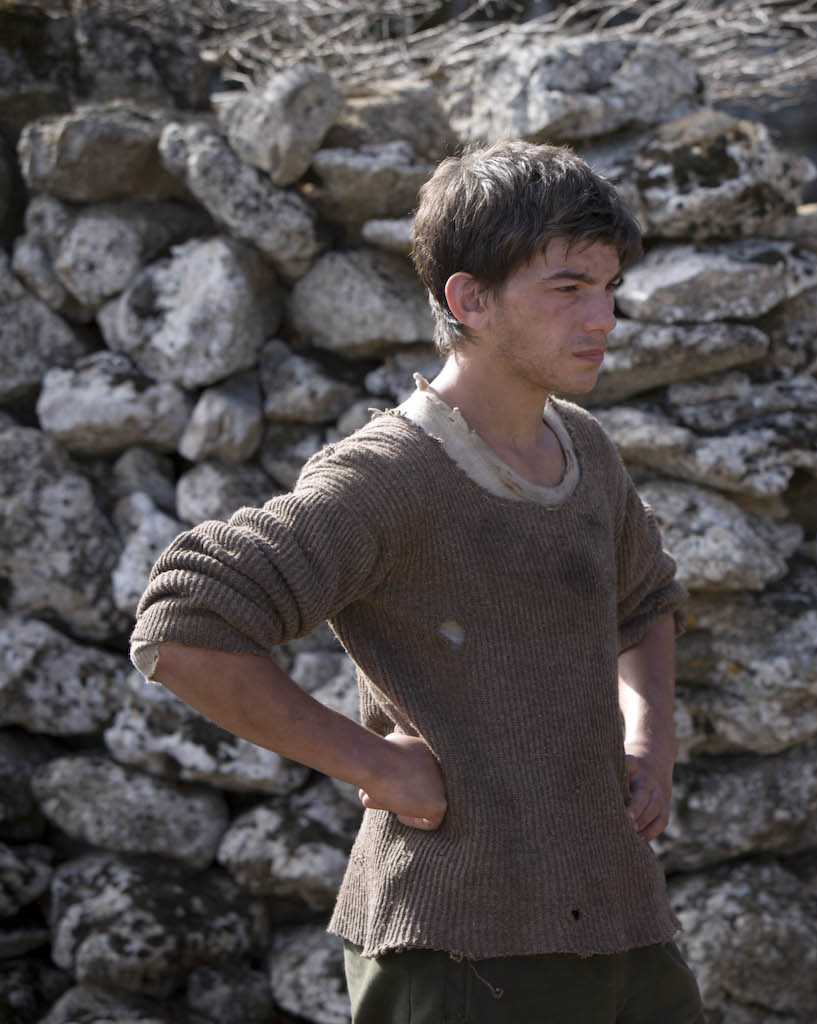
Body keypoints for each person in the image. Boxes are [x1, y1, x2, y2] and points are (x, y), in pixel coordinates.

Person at [132, 139, 703, 1023]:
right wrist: (375, 764)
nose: (604, 318)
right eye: (568, 288)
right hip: (456, 946)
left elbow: (645, 601)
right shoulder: (388, 475)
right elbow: (182, 624)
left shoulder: (585, 447)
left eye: (609, 286)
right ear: (469, 300)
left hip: (622, 922)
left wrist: (650, 739)